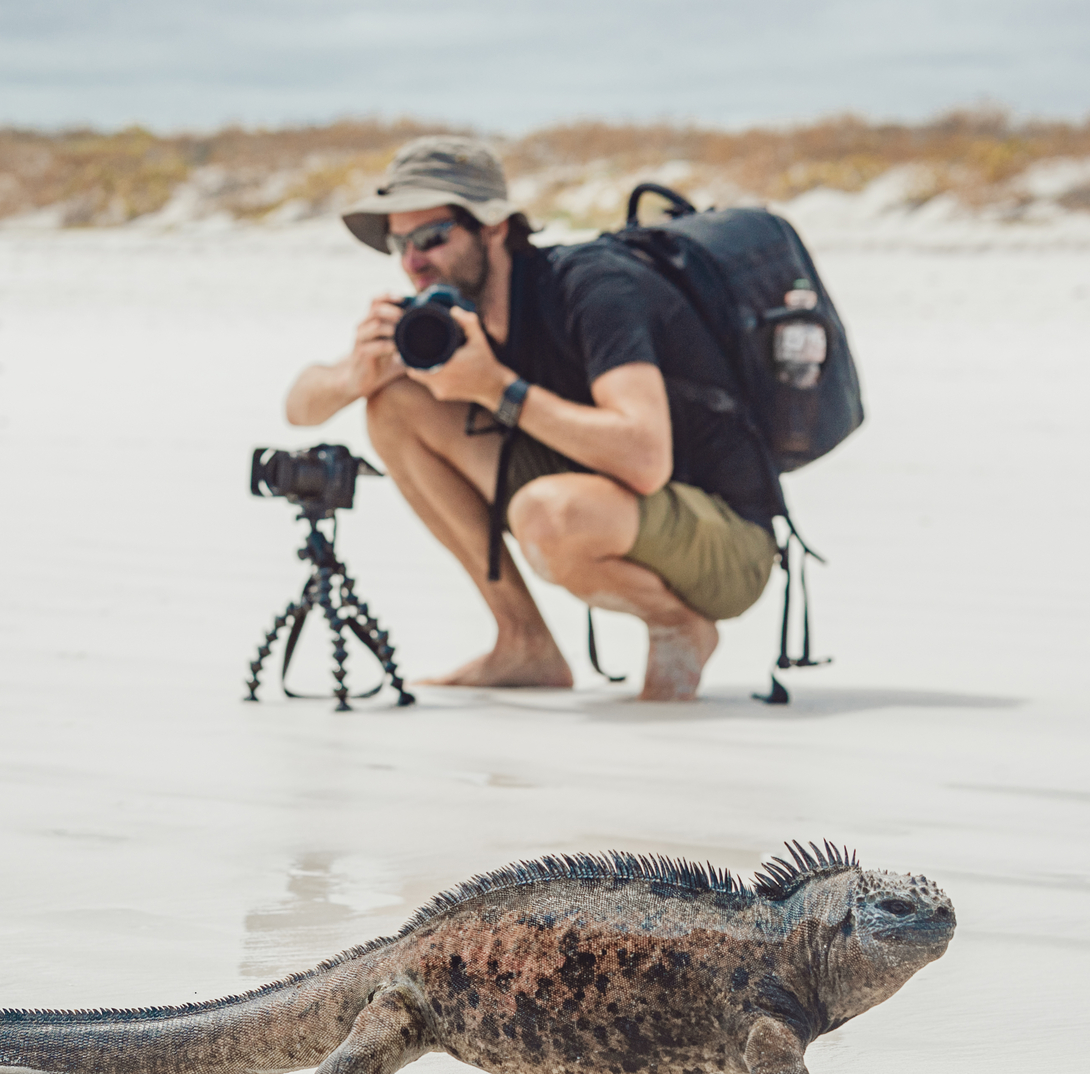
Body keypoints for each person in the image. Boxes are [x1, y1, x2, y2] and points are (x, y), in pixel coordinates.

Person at [284, 137, 781, 700]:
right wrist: (355, 375)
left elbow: (644, 458)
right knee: (396, 405)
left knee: (547, 513)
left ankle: (676, 624)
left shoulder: (592, 290)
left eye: (431, 237)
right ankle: (524, 642)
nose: (413, 262)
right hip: (609, 498)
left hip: (726, 534)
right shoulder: (444, 321)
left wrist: (497, 389)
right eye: (399, 242)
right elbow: (298, 406)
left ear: (494, 226)